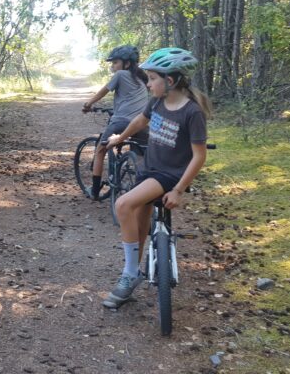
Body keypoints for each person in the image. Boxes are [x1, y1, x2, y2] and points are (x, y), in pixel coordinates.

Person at [101, 47, 213, 308]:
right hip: (150, 169)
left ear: (170, 81)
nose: (148, 84)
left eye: (152, 79)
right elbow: (140, 122)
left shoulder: (191, 112)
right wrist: (121, 137)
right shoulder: (157, 102)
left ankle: (130, 275)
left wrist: (178, 190)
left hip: (171, 175)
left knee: (123, 205)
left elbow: (199, 156)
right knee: (140, 224)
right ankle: (135, 270)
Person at [81, 45, 149, 200]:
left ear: (127, 63)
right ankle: (140, 188)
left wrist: (88, 104)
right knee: (139, 155)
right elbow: (130, 101)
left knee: (100, 150)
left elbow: (104, 90)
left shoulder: (121, 74)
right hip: (141, 124)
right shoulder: (143, 79)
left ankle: (95, 191)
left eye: (115, 62)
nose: (113, 66)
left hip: (121, 122)